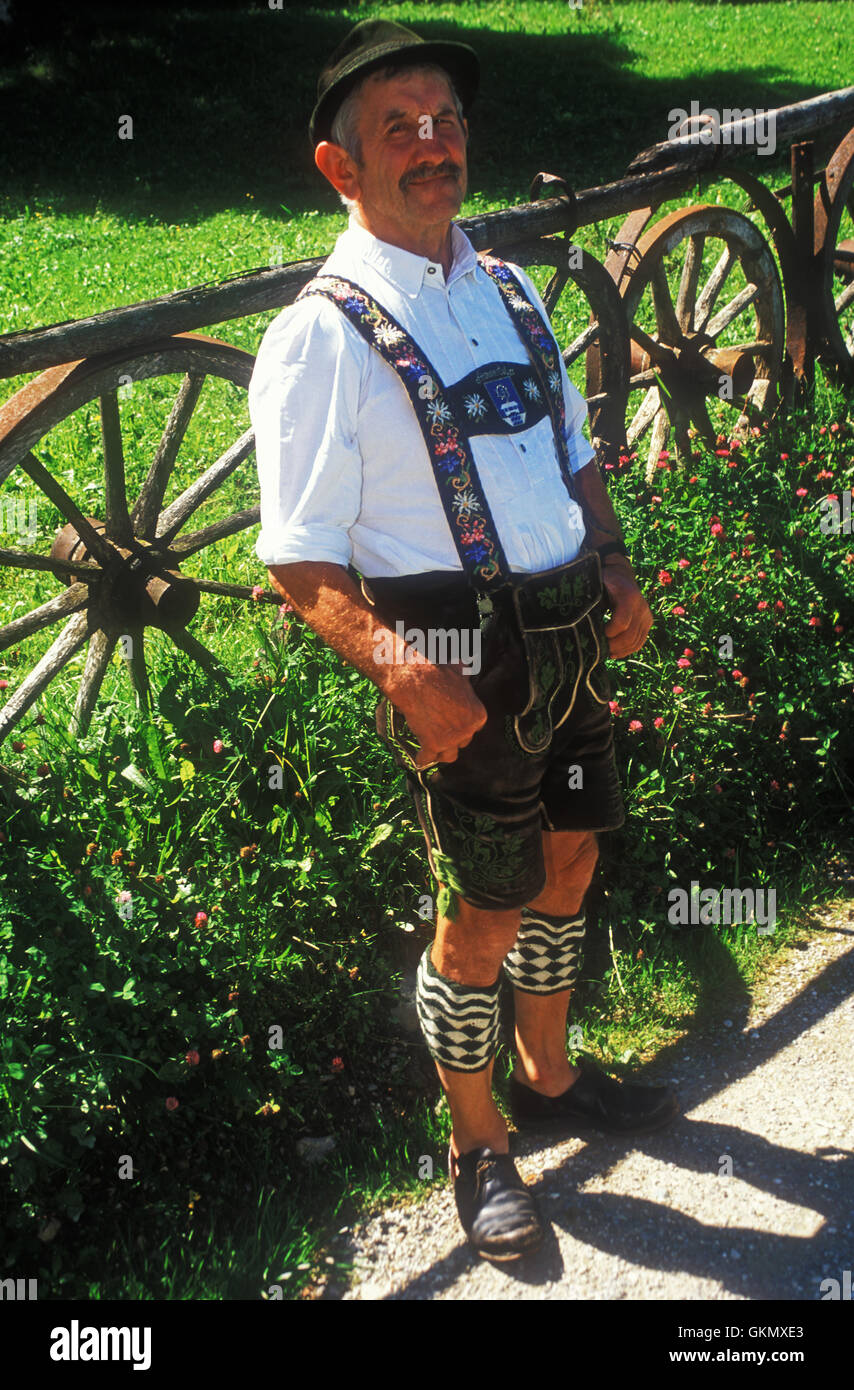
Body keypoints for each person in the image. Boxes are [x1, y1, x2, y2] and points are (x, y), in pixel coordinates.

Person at [249, 18, 679, 1263]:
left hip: (569, 628)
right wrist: (396, 663)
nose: (433, 147)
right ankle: (477, 1142)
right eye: (401, 129)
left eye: (446, 124)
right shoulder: (319, 334)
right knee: (479, 915)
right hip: (455, 653)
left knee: (569, 862)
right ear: (341, 168)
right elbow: (294, 556)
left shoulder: (505, 285)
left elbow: (572, 449)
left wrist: (611, 562)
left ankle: (550, 1079)